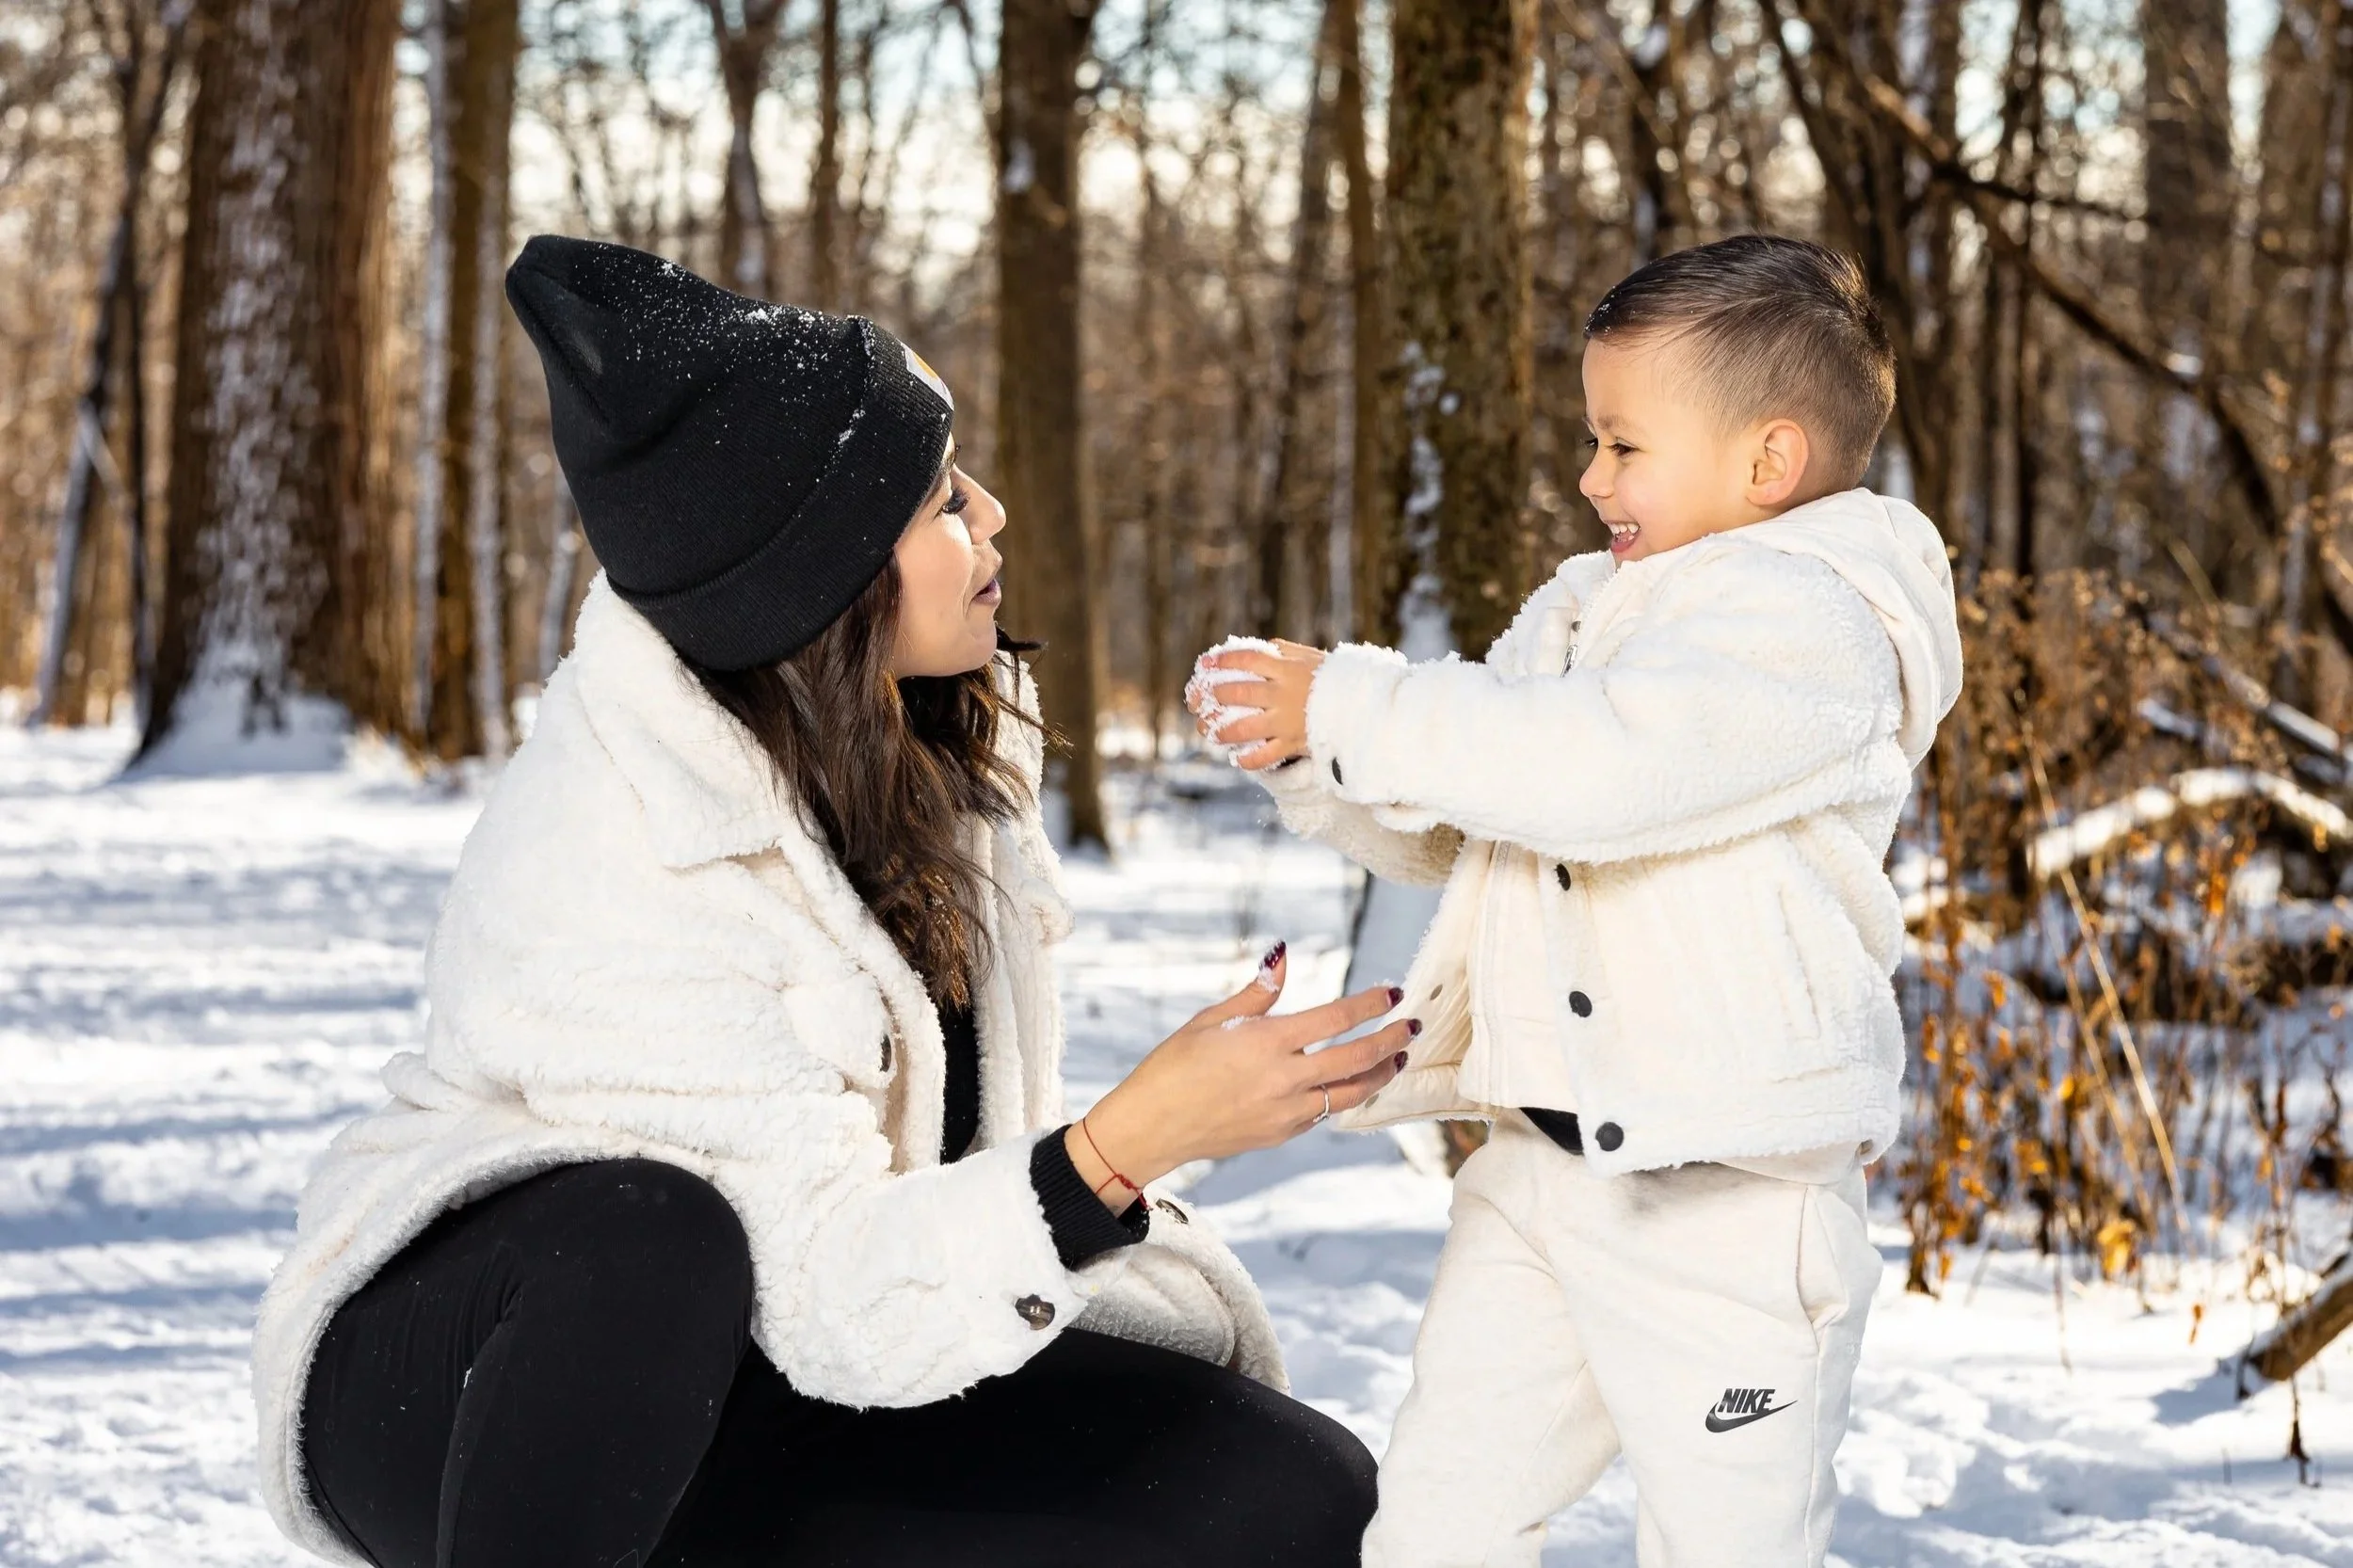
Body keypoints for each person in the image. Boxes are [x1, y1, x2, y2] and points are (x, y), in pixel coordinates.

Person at [252, 234, 1416, 1568]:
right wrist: (1122, 1147)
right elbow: (819, 1280)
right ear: (823, 575)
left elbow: (886, 1265)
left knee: (1299, 1494)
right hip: (484, 1392)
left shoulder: (937, 752)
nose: (993, 516)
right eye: (939, 505)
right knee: (651, 1237)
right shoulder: (621, 846)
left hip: (789, 1353)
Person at [1193, 233, 1965, 1566]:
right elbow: (1477, 816)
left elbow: (1606, 766)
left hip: (1728, 1203)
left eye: (1622, 444)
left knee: (1727, 1543)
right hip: (1539, 1175)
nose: (1586, 474)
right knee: (1440, 1518)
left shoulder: (1819, 622)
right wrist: (1315, 753)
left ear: (1767, 461)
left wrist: (1364, 699)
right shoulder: (1587, 604)